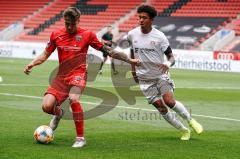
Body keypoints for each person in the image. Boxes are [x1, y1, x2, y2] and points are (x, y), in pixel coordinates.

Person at [24, 7, 139, 148]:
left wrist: (129, 60)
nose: (70, 26)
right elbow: (45, 54)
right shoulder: (56, 34)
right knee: (47, 106)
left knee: (73, 98)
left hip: (78, 74)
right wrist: (32, 63)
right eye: (67, 23)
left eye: (73, 23)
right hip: (61, 77)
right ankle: (59, 113)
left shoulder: (87, 35)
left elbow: (108, 51)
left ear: (78, 21)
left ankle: (80, 138)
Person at [128, 5, 203, 140]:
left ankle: (191, 121)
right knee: (161, 108)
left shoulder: (160, 36)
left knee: (169, 101)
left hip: (160, 75)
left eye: (144, 18)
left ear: (151, 20)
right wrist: (133, 70)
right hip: (144, 78)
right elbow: (132, 53)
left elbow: (171, 57)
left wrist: (167, 64)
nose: (140, 20)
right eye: (139, 17)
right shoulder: (132, 34)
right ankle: (184, 130)